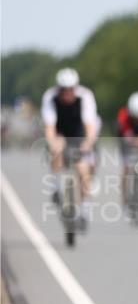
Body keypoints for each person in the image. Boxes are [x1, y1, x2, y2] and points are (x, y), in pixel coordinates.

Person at [41, 68, 99, 227]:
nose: (67, 94)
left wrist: (87, 144)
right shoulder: (50, 97)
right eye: (63, 90)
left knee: (83, 170)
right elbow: (49, 127)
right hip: (60, 131)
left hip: (79, 132)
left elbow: (90, 126)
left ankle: (85, 211)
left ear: (75, 88)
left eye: (70, 90)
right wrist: (52, 143)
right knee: (56, 150)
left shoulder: (85, 96)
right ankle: (56, 188)